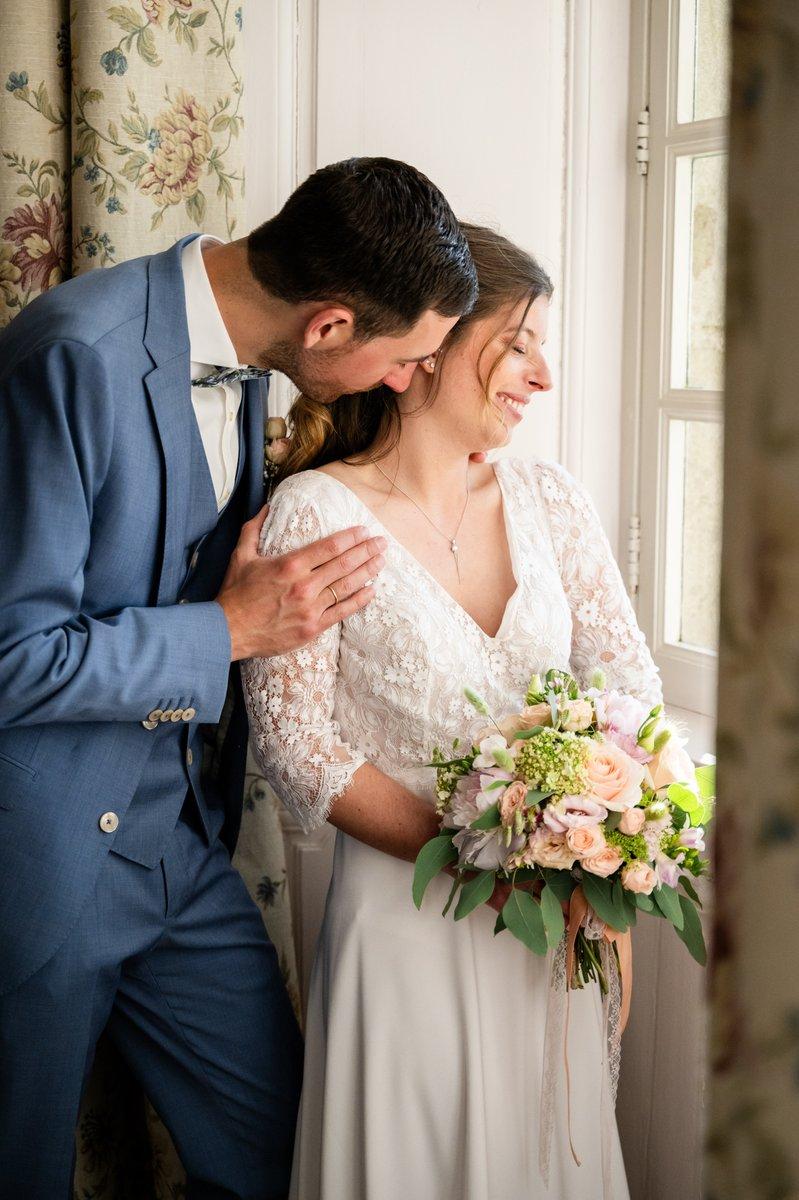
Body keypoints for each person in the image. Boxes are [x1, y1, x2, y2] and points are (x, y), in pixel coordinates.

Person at [0, 156, 477, 1200]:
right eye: (403, 360)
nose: (404, 384)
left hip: (182, 854)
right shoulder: (71, 357)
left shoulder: (257, 363)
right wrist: (225, 630)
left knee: (291, 1160)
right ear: (331, 327)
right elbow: (10, 658)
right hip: (37, 868)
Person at [243, 224, 663, 1200]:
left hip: (554, 931)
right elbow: (299, 746)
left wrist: (606, 876)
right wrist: (492, 859)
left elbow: (632, 694)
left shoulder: (550, 499)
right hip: (403, 935)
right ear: (428, 348)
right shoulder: (315, 514)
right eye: (517, 343)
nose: (541, 374)